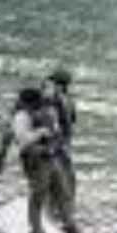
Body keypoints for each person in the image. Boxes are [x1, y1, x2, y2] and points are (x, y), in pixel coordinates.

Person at [9, 85, 85, 233]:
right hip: (35, 161)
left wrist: (56, 139)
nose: (40, 105)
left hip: (52, 157)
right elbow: (22, 140)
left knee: (62, 193)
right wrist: (40, 133)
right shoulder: (21, 116)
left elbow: (56, 130)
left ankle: (72, 231)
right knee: (37, 199)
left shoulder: (45, 112)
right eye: (37, 103)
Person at [43, 66, 77, 205]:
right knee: (67, 180)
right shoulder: (70, 100)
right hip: (66, 144)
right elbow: (72, 121)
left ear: (58, 84)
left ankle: (52, 211)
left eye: (52, 82)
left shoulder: (55, 100)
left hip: (57, 145)